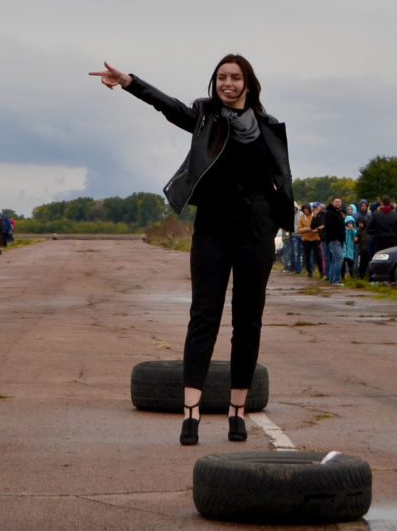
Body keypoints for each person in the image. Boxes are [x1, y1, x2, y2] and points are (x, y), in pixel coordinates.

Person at [89, 54, 293, 446]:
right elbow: (168, 106)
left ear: (248, 84)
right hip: (212, 231)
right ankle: (192, 414)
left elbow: (280, 178)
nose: (227, 83)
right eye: (221, 77)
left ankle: (237, 411)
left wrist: (277, 221)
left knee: (248, 321)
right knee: (204, 317)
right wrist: (130, 82)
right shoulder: (204, 117)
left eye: (235, 78)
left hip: (255, 233)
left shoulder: (270, 127)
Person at [324, 198, 346, 284]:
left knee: (334, 260)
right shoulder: (330, 213)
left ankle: (332, 279)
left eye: (339, 202)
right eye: (336, 202)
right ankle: (336, 279)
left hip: (339, 239)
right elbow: (330, 227)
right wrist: (335, 236)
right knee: (339, 258)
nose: (338, 203)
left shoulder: (338, 213)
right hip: (334, 239)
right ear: (332, 203)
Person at [297, 204, 320, 278]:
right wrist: (308, 229)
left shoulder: (314, 216)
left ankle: (321, 271)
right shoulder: (301, 218)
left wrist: (316, 230)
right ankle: (309, 271)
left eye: (307, 209)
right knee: (307, 256)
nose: (306, 210)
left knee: (317, 255)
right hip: (306, 239)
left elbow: (318, 225)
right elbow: (299, 229)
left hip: (315, 238)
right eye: (304, 209)